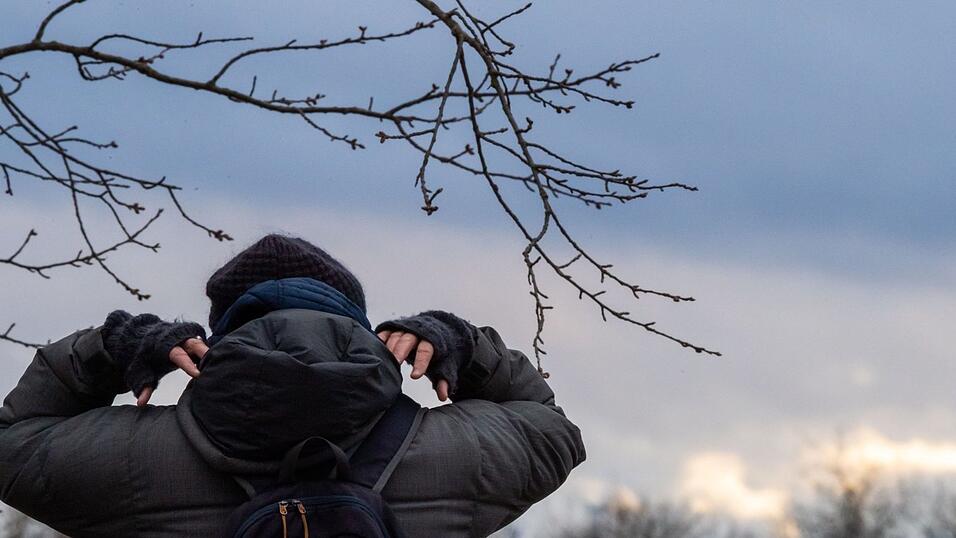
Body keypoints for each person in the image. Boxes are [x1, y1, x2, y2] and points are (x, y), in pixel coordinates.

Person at [0, 234, 585, 537]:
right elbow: (552, 433)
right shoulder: (453, 455)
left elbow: (12, 445)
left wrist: (114, 348)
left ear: (222, 329)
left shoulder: (137, 460)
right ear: (355, 322)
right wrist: (460, 345)